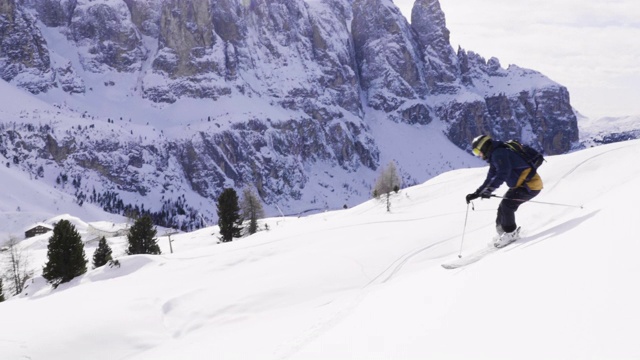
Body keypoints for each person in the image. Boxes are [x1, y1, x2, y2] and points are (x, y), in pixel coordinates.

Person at [465, 135, 543, 247]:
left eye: (478, 151)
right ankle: (503, 234)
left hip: (530, 186)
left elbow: (502, 174)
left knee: (507, 205)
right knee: (502, 207)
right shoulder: (495, 155)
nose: (479, 155)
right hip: (520, 186)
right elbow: (490, 178)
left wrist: (489, 191)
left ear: (484, 147)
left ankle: (511, 233)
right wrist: (477, 193)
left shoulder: (499, 154)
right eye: (476, 153)